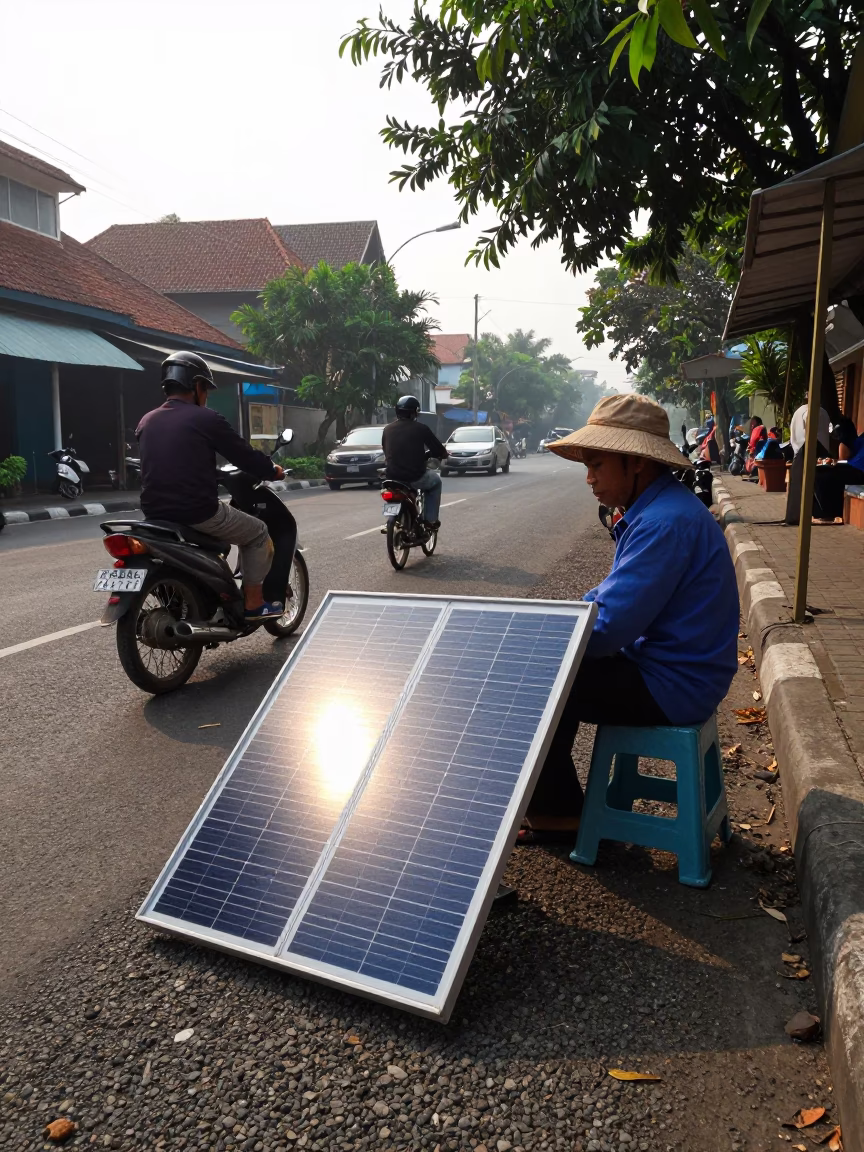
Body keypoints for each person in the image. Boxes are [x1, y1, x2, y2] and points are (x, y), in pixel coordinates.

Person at [521, 394, 740, 841]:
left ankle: (559, 814)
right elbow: (608, 597)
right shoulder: (658, 511)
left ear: (636, 463)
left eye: (597, 465)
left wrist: (542, 639)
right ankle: (556, 807)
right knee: (546, 663)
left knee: (531, 680)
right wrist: (555, 623)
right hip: (674, 671)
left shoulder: (663, 523)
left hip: (673, 684)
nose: (589, 479)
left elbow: (606, 631)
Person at [136, 351, 286, 622]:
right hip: (197, 512)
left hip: (154, 513)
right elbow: (243, 455)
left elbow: (173, 460)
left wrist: (213, 474)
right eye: (205, 388)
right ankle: (253, 603)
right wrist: (272, 470)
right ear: (196, 386)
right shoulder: (206, 419)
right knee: (258, 532)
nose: (206, 395)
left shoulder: (147, 421)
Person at [381, 395, 449, 528]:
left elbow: (386, 450)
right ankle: (430, 520)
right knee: (435, 482)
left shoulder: (387, 429)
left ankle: (389, 519)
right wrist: (442, 454)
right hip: (415, 476)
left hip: (392, 476)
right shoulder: (421, 428)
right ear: (414, 412)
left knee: (391, 492)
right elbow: (438, 450)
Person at [785, 402, 831, 525]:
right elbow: (821, 434)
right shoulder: (819, 411)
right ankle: (815, 514)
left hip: (801, 448)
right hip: (810, 447)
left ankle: (796, 516)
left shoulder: (800, 411)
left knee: (798, 485)